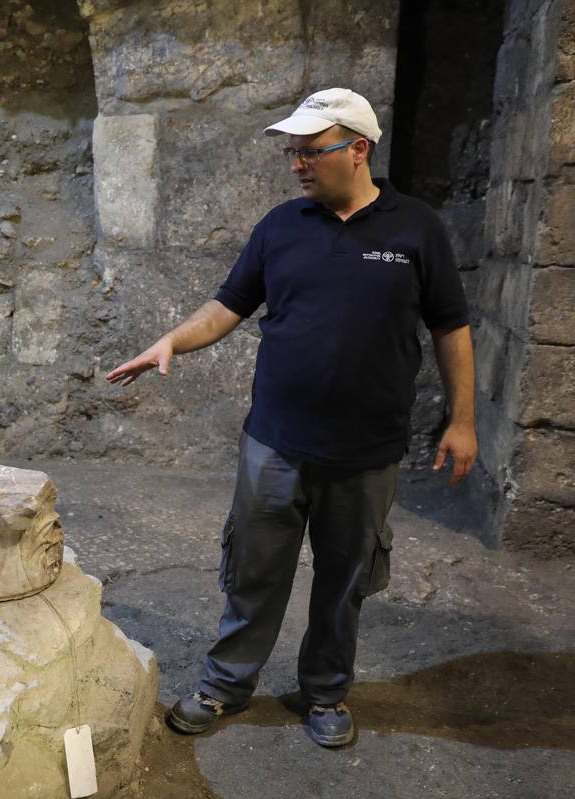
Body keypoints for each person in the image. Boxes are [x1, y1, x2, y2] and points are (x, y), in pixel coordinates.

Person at [105, 87, 477, 748]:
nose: (298, 165)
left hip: (367, 452)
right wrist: (172, 341)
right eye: (293, 154)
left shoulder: (416, 229)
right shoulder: (280, 226)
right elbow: (227, 306)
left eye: (311, 152)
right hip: (274, 443)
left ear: (358, 150)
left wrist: (463, 421)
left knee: (345, 580)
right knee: (254, 570)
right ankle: (225, 684)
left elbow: (452, 327)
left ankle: (325, 692)